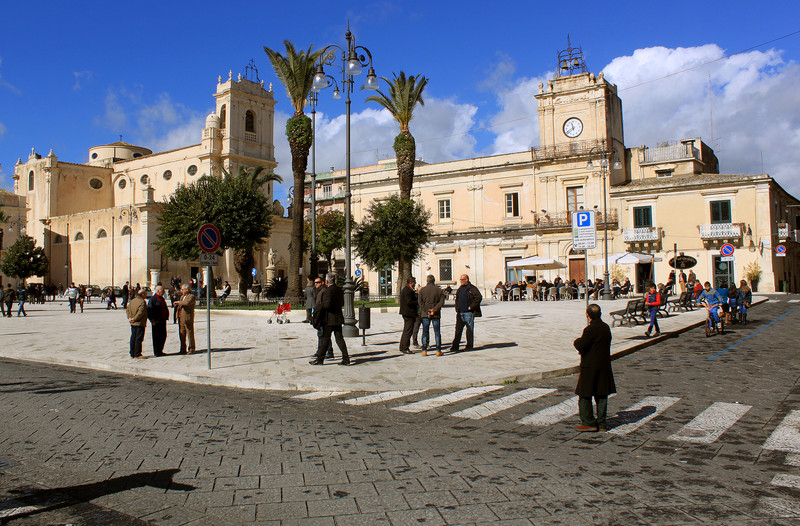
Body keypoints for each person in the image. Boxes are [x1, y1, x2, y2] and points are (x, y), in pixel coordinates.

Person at [573, 304, 616, 432]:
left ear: (587, 315)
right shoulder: (605, 327)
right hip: (603, 364)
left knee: (585, 394)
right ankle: (602, 423)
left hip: (590, 366)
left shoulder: (590, 329)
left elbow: (581, 345)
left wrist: (576, 341)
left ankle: (588, 422)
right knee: (602, 394)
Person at [309, 273, 351, 366]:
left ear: (327, 281)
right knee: (339, 339)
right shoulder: (339, 289)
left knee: (325, 339)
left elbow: (327, 305)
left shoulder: (328, 291)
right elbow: (342, 303)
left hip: (329, 319)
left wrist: (320, 307)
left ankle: (320, 359)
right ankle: (346, 358)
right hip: (338, 318)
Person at [450, 274, 482, 353]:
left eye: (462, 280)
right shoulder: (460, 288)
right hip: (460, 312)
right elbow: (457, 299)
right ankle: (455, 346)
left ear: (466, 280)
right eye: (460, 279)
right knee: (458, 330)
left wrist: (472, 306)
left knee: (469, 330)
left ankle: (469, 346)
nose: (460, 281)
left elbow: (479, 297)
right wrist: (457, 307)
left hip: (468, 313)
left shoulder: (472, 288)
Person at [418, 275, 445, 357]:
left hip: (425, 314)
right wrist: (434, 310)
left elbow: (420, 302)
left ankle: (424, 350)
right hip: (436, 314)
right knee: (437, 332)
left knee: (425, 332)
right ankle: (438, 350)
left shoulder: (422, 290)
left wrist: (427, 310)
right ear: (434, 280)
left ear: (427, 281)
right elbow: (441, 302)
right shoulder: (439, 290)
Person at [311, 276, 334, 360]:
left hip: (322, 316)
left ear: (322, 282)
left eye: (317, 282)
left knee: (322, 334)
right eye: (315, 283)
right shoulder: (319, 291)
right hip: (319, 315)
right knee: (322, 334)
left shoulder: (324, 291)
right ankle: (324, 352)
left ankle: (324, 352)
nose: (316, 284)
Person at [147, 285, 170, 357]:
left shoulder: (162, 298)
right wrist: (152, 320)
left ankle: (160, 350)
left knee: (163, 335)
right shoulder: (153, 299)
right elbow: (149, 310)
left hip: (162, 320)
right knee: (157, 337)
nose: (164, 292)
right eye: (162, 291)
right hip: (156, 321)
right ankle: (157, 352)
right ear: (158, 291)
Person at [398, 277, 419, 355]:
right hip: (408, 313)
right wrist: (417, 302)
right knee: (408, 331)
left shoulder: (408, 289)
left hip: (408, 313)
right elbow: (409, 302)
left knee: (407, 330)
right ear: (411, 282)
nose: (415, 284)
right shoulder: (407, 290)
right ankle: (405, 347)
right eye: (414, 282)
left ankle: (402, 346)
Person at [126, 288, 148, 359]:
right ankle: (137, 353)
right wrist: (134, 319)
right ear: (143, 295)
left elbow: (128, 310)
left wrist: (130, 318)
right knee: (139, 338)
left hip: (132, 322)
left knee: (133, 337)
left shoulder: (132, 301)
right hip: (139, 322)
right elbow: (140, 312)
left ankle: (132, 352)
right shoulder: (142, 302)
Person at [177, 284, 196, 354]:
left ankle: (191, 348)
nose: (181, 291)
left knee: (189, 333)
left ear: (187, 290)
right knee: (182, 334)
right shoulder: (182, 296)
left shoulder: (191, 296)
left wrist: (178, 302)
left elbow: (187, 303)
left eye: (182, 289)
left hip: (188, 318)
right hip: (181, 318)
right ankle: (182, 349)